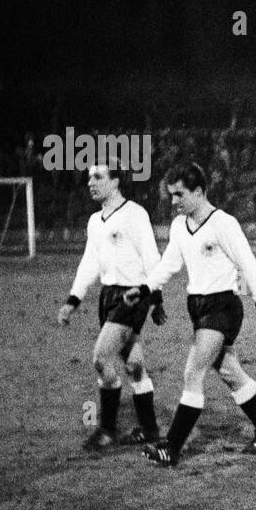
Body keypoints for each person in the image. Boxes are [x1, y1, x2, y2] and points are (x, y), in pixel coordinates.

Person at [124, 163, 256, 466]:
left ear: (199, 191)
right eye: (171, 195)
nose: (173, 202)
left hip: (223, 307)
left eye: (179, 194)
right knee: (229, 372)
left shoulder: (222, 223)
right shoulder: (178, 226)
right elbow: (168, 265)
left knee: (192, 372)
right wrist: (144, 289)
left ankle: (170, 447)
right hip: (197, 308)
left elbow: (249, 265)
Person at [58, 163, 164, 449]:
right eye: (89, 178)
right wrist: (73, 299)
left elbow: (151, 256)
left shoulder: (134, 214)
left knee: (100, 359)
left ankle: (107, 429)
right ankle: (150, 430)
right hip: (108, 297)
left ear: (116, 182)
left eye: (98, 177)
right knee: (133, 365)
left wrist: (156, 297)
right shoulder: (95, 221)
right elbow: (89, 263)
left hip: (133, 296)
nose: (90, 182)